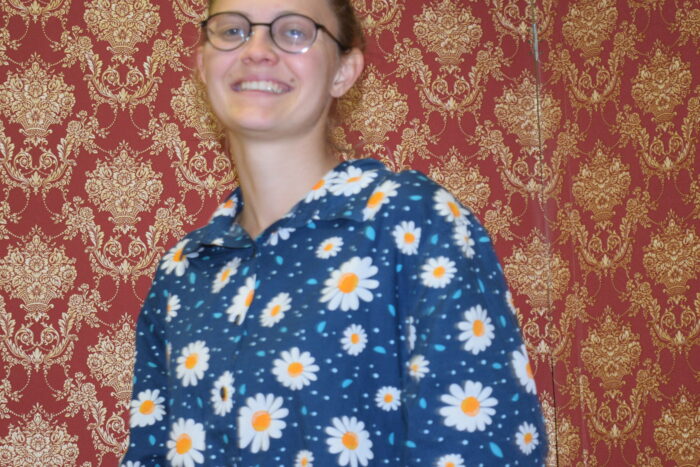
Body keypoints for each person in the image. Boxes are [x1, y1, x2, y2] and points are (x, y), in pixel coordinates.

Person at [122, 0, 548, 465]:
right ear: (203, 65)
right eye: (232, 31)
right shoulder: (184, 270)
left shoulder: (411, 222)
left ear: (344, 71)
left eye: (294, 31)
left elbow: (480, 446)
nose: (257, 49)